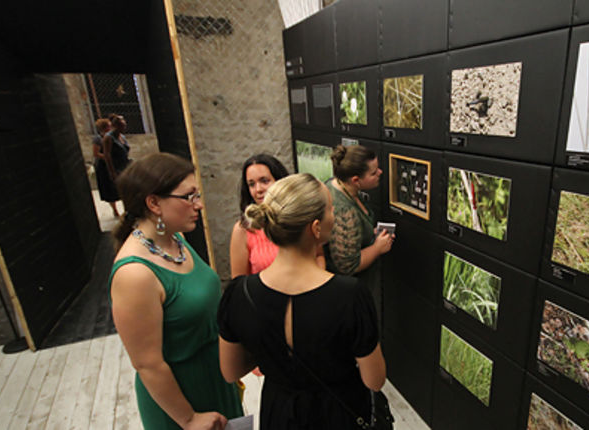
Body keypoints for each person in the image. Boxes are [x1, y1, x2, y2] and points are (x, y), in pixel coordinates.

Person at [218, 173, 386, 429]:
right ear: (316, 227)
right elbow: (374, 379)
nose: (335, 215)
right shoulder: (350, 294)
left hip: (280, 412)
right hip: (339, 412)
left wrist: (273, 354)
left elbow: (231, 371)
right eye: (331, 208)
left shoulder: (239, 292)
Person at [109, 153, 243, 430]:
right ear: (154, 203)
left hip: (214, 378)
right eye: (189, 196)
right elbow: (147, 364)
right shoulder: (134, 274)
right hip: (182, 399)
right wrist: (188, 418)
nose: (199, 205)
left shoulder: (176, 241)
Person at [325, 144, 393, 315]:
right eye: (373, 172)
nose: (380, 173)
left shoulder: (334, 185)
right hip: (351, 298)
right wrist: (377, 248)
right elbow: (348, 265)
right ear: (356, 180)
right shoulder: (343, 212)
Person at [229, 154, 290, 277]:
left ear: (280, 182)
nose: (258, 189)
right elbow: (239, 282)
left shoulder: (299, 218)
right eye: (251, 184)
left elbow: (318, 255)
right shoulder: (243, 230)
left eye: (264, 181)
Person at [100, 113, 132, 213]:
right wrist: (112, 173)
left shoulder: (122, 136)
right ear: (116, 126)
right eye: (122, 125)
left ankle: (130, 210)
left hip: (125, 165)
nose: (124, 127)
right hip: (117, 168)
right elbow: (107, 155)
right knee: (122, 192)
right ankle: (126, 213)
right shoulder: (108, 138)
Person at [92, 117, 121, 218]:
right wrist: (108, 158)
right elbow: (96, 153)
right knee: (109, 188)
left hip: (115, 164)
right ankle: (115, 210)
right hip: (103, 166)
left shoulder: (114, 137)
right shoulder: (98, 139)